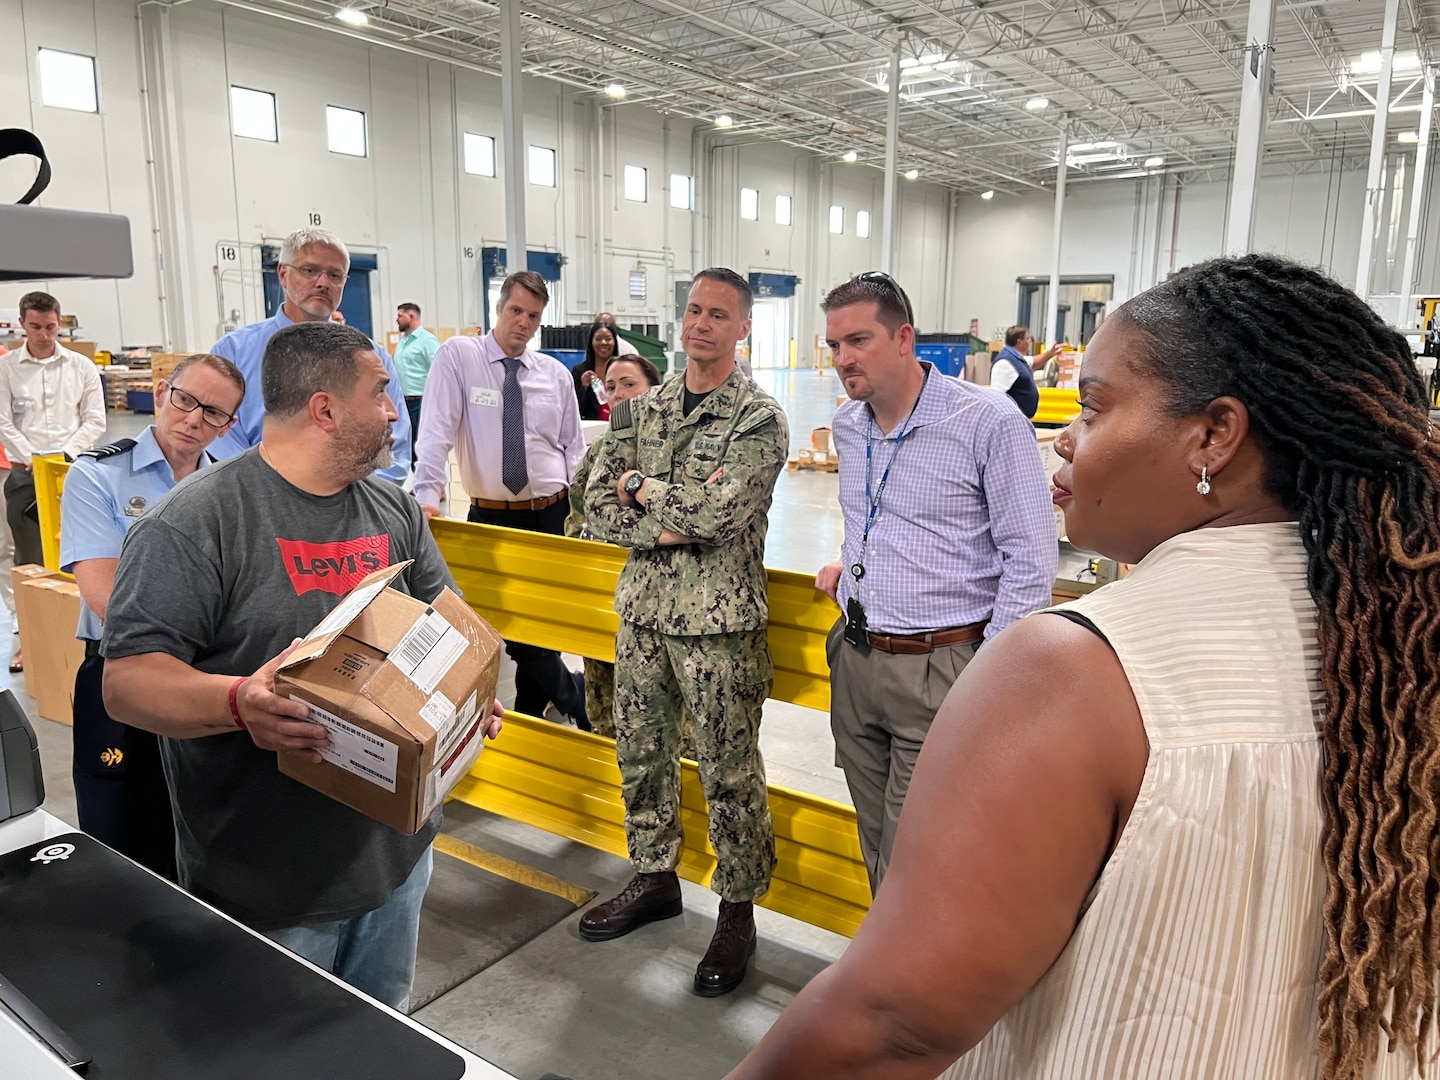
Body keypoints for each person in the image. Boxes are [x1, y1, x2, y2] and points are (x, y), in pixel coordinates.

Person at [725, 254, 1440, 1080]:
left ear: (1214, 434)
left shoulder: (1076, 669)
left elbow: (892, 1023)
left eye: (1095, 409)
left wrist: (991, 692)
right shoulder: (1397, 652)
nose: (1066, 435)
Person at [100, 322, 502, 1011]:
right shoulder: (193, 524)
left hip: (396, 860)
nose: (393, 411)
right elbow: (128, 683)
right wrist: (238, 702)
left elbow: (451, 623)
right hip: (270, 884)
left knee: (382, 1042)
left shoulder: (393, 508)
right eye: (381, 394)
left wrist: (471, 692)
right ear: (325, 410)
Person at [579, 268, 788, 998]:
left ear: (742, 328)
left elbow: (718, 515)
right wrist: (658, 511)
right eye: (694, 310)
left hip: (718, 629)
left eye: (718, 314)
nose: (702, 324)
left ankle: (737, 910)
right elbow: (595, 510)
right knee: (640, 755)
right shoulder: (642, 410)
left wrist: (643, 492)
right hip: (641, 616)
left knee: (730, 774)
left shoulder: (757, 418)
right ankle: (654, 877)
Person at [815, 272, 1057, 892]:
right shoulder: (850, 424)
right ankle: (887, 967)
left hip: (943, 665)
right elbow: (872, 519)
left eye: (858, 340)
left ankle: (901, 981)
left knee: (914, 852)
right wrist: (855, 575)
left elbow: (1029, 561)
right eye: (835, 344)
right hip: (858, 655)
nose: (844, 359)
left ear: (903, 338)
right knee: (875, 837)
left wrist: (986, 677)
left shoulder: (988, 422)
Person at [61, 353, 246, 880]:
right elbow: (107, 598)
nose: (193, 419)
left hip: (207, 677)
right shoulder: (98, 475)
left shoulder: (229, 491)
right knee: (123, 837)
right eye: (187, 400)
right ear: (164, 391)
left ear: (229, 425)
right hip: (123, 674)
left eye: (213, 413)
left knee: (203, 832)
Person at [414, 271, 588, 727]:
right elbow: (435, 431)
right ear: (499, 308)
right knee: (505, 623)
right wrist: (426, 497)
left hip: (554, 513)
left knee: (543, 623)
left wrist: (582, 513)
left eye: (534, 316)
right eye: (516, 311)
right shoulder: (460, 357)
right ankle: (574, 698)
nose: (524, 323)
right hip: (492, 516)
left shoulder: (553, 374)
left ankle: (532, 713)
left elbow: (574, 447)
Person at [208, 227, 413, 483]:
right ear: (283, 274)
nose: (323, 282)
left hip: (353, 507)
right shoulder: (234, 353)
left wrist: (354, 501)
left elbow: (396, 445)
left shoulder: (374, 358)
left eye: (335, 275)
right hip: (262, 504)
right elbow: (220, 438)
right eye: (310, 270)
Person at [564, 354, 663, 739]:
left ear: (655, 391)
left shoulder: (671, 449)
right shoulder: (599, 450)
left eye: (629, 384)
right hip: (603, 597)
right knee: (605, 712)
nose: (619, 394)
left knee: (661, 720)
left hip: (655, 604)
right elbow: (576, 515)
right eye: (611, 386)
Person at [0, 291, 106, 578]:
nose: (44, 335)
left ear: (59, 324)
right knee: (28, 555)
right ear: (22, 323)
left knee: (80, 553)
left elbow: (95, 420)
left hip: (72, 471)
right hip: (25, 475)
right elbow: (3, 422)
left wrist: (64, 455)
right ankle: (29, 621)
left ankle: (74, 616)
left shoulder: (81, 366)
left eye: (50, 327)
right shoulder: (6, 369)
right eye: (35, 327)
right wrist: (32, 459)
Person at [989, 324, 1062, 418]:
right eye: (1027, 339)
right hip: (1011, 419)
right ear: (1019, 342)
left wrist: (1051, 353)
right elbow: (997, 397)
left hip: (1020, 418)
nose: (1030, 342)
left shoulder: (1017, 359)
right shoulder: (1004, 363)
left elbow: (1034, 362)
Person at [394, 302, 440, 442]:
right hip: (403, 402)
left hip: (421, 402)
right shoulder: (403, 340)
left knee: (421, 444)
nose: (397, 320)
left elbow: (440, 371)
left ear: (411, 316)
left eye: (400, 316)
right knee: (407, 443)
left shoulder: (428, 341)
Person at [573, 320, 622, 421]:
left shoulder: (622, 369)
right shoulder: (580, 371)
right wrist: (584, 388)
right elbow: (574, 408)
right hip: (591, 428)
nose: (603, 343)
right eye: (598, 339)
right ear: (591, 341)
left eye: (608, 339)